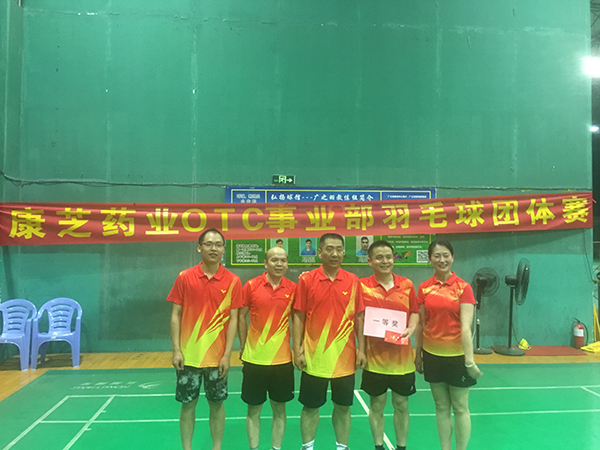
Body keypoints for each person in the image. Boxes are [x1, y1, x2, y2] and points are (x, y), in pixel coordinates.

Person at [168, 228, 242, 450]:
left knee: (217, 405)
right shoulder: (185, 277)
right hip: (188, 356)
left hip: (217, 358)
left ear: (223, 249)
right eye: (208, 244)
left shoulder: (233, 280)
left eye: (218, 244)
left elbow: (234, 319)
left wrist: (227, 355)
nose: (214, 248)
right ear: (199, 248)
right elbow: (175, 314)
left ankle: (216, 447)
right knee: (188, 405)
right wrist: (176, 350)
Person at [292, 233, 366, 450]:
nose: (335, 254)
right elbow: (298, 316)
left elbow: (359, 317)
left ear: (343, 252)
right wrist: (297, 350)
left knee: (343, 407)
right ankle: (308, 447)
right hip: (314, 358)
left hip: (345, 359)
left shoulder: (353, 281)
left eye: (339, 249)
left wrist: (362, 349)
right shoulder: (307, 280)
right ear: (320, 252)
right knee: (310, 407)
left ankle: (342, 447)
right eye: (329, 249)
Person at [414, 240, 483, 450]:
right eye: (437, 256)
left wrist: (469, 361)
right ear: (430, 259)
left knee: (460, 407)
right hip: (432, 355)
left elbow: (466, 328)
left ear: (452, 257)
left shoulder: (464, 288)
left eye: (446, 255)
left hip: (457, 357)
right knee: (441, 406)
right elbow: (421, 324)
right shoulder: (424, 288)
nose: (442, 260)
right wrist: (418, 355)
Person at [360, 240, 419, 450]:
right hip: (374, 360)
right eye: (379, 258)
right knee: (376, 405)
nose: (384, 261)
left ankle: (401, 446)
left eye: (388, 257)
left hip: (402, 361)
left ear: (393, 259)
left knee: (401, 405)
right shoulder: (362, 286)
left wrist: (411, 327)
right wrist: (360, 350)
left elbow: (414, 311)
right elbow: (359, 318)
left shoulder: (407, 284)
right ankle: (378, 446)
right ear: (370, 261)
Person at [238, 246, 297, 450]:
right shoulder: (251, 286)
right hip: (255, 360)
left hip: (282, 361)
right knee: (253, 410)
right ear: (265, 263)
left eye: (283, 260)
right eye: (274, 260)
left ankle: (276, 448)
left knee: (279, 409)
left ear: (287, 264)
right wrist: (243, 345)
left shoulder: (293, 288)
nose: (279, 264)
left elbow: (298, 320)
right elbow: (240, 316)